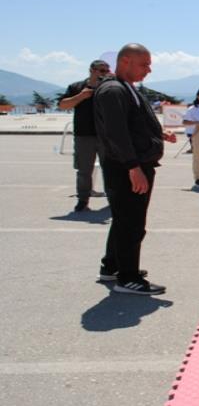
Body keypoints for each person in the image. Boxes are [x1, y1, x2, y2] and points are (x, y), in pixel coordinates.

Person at [93, 43, 177, 295]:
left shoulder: (126, 88)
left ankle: (112, 266)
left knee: (123, 219)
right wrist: (133, 167)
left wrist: (158, 132)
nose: (149, 70)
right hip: (126, 167)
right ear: (126, 61)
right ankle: (127, 277)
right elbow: (116, 132)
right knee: (131, 222)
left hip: (132, 163)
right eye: (144, 64)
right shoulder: (113, 90)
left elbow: (132, 123)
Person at [57, 59, 110, 212]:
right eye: (101, 70)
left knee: (110, 169)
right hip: (84, 134)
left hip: (106, 135)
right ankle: (83, 200)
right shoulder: (76, 87)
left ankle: (113, 199)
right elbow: (62, 105)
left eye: (106, 71)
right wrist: (80, 96)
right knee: (84, 170)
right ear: (91, 70)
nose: (104, 74)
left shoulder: (109, 87)